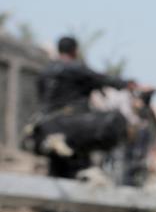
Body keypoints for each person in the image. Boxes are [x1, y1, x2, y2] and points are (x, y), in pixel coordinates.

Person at [33, 36, 145, 178]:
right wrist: (129, 85)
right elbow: (104, 79)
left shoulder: (45, 71)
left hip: (46, 127)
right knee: (116, 121)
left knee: (58, 166)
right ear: (74, 51)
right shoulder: (76, 68)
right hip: (73, 127)